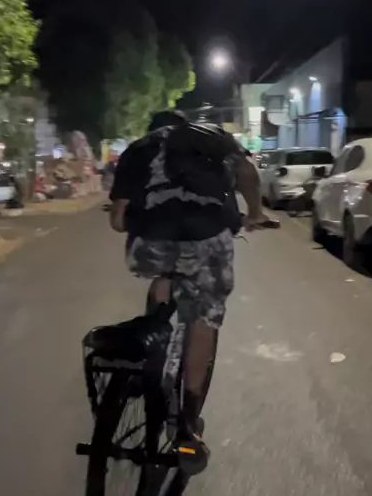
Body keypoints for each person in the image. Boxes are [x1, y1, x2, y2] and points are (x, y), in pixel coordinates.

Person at [109, 110, 276, 457]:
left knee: (165, 273)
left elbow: (118, 221)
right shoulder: (213, 136)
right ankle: (187, 422)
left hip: (149, 245)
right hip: (206, 238)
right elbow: (247, 172)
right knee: (204, 316)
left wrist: (148, 221)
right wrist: (255, 212)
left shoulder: (137, 149)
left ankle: (152, 344)